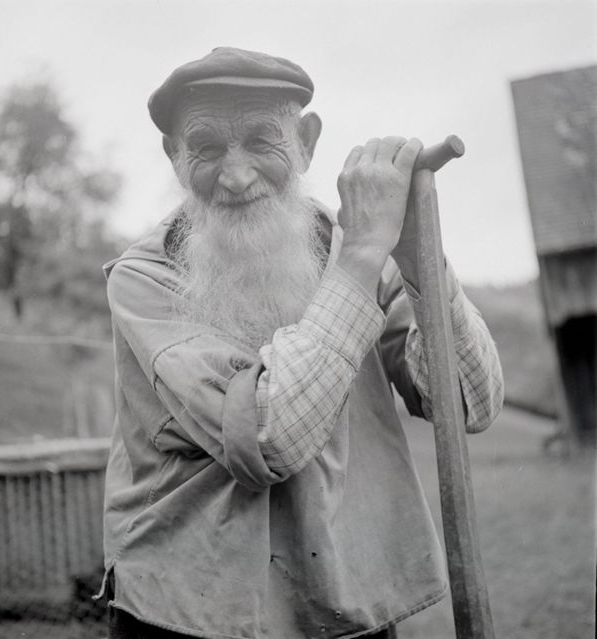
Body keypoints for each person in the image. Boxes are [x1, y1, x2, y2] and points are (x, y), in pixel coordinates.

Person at [100, 47, 504, 639]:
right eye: (206, 148)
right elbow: (271, 440)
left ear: (307, 142)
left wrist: (420, 258)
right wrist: (364, 253)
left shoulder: (352, 248)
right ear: (175, 157)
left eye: (262, 140)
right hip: (192, 612)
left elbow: (470, 403)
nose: (236, 177)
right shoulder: (146, 278)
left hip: (342, 603)